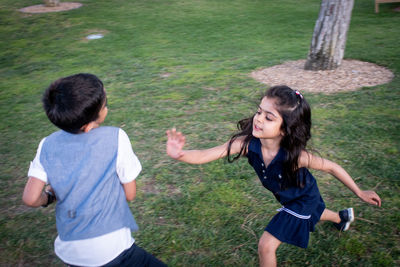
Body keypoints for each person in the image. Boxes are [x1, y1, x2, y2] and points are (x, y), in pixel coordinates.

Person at [166, 85, 381, 267]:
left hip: (301, 200)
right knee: (315, 213)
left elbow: (332, 168)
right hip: (293, 197)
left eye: (269, 117)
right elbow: (207, 154)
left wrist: (359, 192)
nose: (258, 119)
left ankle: (339, 218)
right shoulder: (248, 145)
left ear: (285, 130)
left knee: (266, 246)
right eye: (259, 112)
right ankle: (342, 218)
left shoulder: (295, 157)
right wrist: (181, 155)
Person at [22, 73, 167, 267]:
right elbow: (130, 194)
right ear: (89, 125)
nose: (107, 106)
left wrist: (49, 196)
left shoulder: (46, 144)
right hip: (112, 250)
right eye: (105, 105)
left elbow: (30, 198)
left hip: (71, 252)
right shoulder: (116, 137)